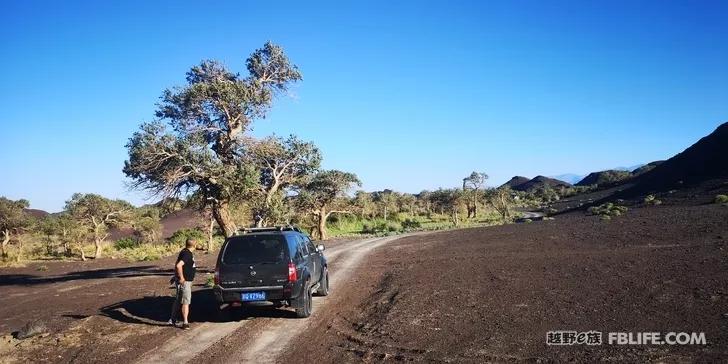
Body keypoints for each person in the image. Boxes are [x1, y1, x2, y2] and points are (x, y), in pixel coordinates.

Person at [169, 238, 196, 329]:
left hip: (183, 281)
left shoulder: (183, 252)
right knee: (185, 301)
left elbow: (176, 264)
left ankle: (172, 319)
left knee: (178, 300)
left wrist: (175, 276)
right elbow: (178, 265)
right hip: (185, 282)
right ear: (194, 245)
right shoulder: (187, 254)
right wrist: (181, 278)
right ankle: (185, 323)